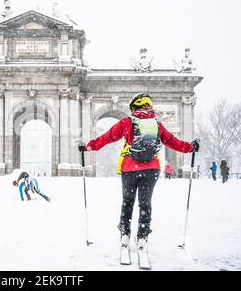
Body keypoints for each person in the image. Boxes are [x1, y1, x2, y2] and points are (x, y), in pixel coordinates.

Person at [79, 93, 199, 250]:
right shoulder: (157, 124)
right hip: (152, 169)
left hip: (130, 168)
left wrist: (88, 146)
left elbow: (108, 137)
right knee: (145, 204)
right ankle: (142, 237)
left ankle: (125, 234)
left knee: (128, 201)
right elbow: (172, 141)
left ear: (134, 107)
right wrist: (190, 147)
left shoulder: (128, 122)